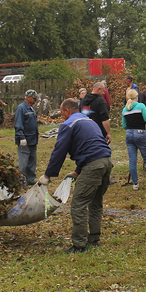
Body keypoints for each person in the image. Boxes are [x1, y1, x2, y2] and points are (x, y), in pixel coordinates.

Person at [38, 99, 113, 253]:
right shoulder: (90, 122)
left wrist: (47, 175)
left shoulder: (68, 125)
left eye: (61, 112)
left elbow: (59, 151)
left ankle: (79, 245)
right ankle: (94, 239)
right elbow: (92, 146)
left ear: (67, 110)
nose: (62, 115)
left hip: (93, 165)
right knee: (95, 202)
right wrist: (78, 171)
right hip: (107, 162)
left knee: (78, 205)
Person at [15, 89, 39, 185]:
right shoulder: (21, 108)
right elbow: (18, 124)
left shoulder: (31, 108)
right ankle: (20, 180)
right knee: (23, 161)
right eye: (34, 98)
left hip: (33, 139)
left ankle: (30, 179)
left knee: (32, 160)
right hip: (25, 139)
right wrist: (21, 137)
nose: (35, 100)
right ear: (28, 97)